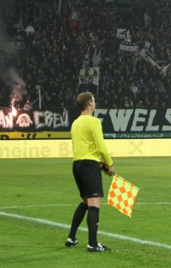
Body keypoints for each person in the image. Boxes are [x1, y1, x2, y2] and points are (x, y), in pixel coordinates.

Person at [66, 92, 115, 252]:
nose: (95, 102)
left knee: (85, 201)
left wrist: (99, 162)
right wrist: (110, 163)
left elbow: (82, 148)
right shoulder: (93, 122)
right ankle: (92, 244)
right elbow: (101, 147)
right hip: (88, 166)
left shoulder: (75, 123)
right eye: (93, 100)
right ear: (88, 103)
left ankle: (71, 237)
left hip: (77, 165)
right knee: (95, 202)